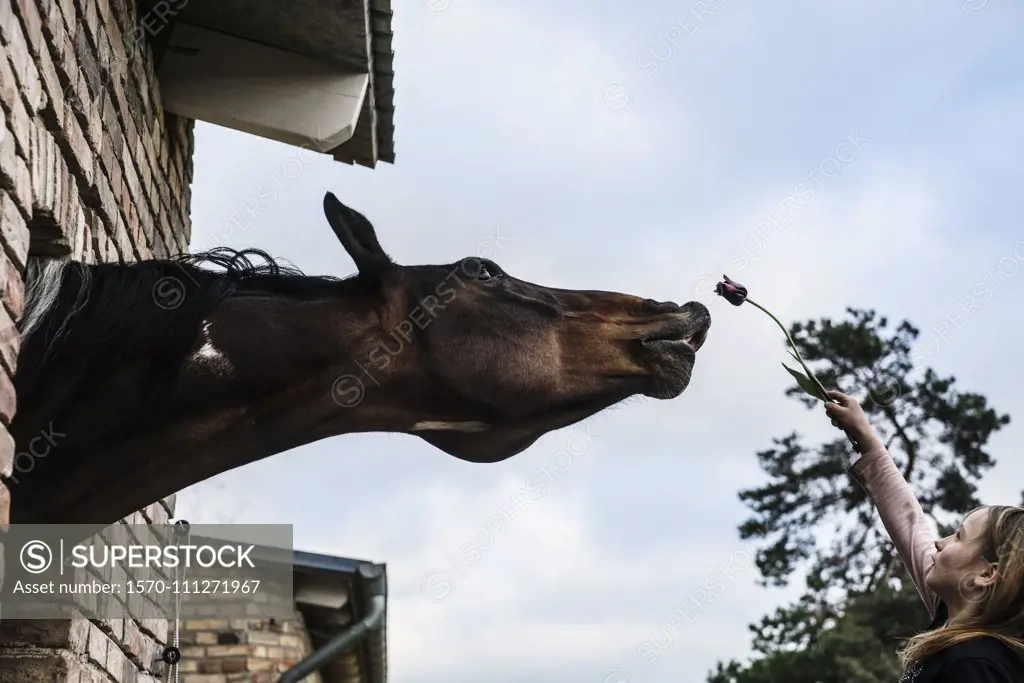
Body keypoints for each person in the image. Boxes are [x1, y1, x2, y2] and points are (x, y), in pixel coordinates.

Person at [825, 389, 1024, 683]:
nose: (938, 542)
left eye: (958, 536)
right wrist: (864, 436)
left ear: (986, 574)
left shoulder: (975, 664)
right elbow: (910, 523)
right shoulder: (955, 626)